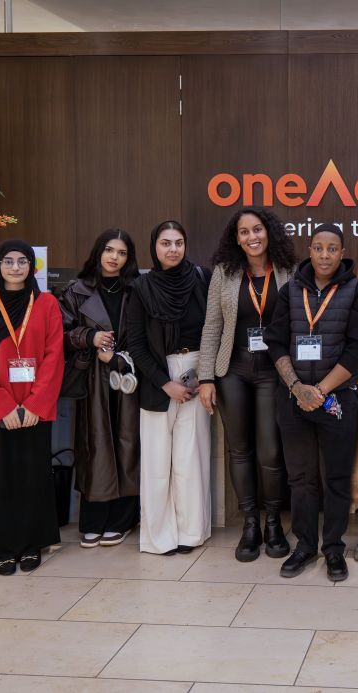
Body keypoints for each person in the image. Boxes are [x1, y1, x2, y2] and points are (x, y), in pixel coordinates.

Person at [267, 224, 358, 582]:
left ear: (342, 251)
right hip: (293, 400)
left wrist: (321, 391)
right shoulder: (289, 291)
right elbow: (275, 342)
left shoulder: (357, 292)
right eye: (318, 248)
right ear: (310, 250)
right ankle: (304, 545)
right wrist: (299, 388)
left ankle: (333, 547)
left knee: (335, 478)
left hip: (338, 400)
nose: (325, 255)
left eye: (332, 249)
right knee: (301, 477)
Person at [198, 208, 296, 562]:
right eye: (244, 232)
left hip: (275, 371)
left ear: (268, 232)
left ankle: (273, 524)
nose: (252, 237)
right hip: (233, 370)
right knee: (239, 450)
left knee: (270, 452)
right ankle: (250, 524)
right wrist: (206, 377)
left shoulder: (289, 271)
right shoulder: (224, 273)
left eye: (257, 229)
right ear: (235, 238)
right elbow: (211, 327)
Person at [0, 240, 63, 575]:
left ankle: (32, 542)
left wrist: (35, 403)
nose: (16, 267)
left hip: (36, 405)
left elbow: (53, 356)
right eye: (8, 261)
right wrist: (2, 406)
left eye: (23, 261)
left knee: (33, 474)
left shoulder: (47, 304)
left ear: (32, 266)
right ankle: (3, 546)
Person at [127, 220, 213, 556]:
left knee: (191, 461)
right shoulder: (141, 288)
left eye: (178, 242)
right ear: (155, 247)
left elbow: (213, 329)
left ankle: (190, 534)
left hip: (197, 373)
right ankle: (159, 536)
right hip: (157, 377)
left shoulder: (202, 279)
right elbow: (135, 344)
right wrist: (166, 384)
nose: (173, 249)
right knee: (157, 462)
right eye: (166, 243)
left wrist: (203, 375)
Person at [60, 229, 142, 548]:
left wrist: (120, 354)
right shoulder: (75, 291)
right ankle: (93, 520)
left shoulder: (137, 290)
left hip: (128, 375)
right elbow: (60, 335)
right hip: (92, 378)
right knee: (94, 448)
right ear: (98, 252)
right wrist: (89, 338)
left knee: (128, 445)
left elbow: (148, 332)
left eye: (121, 253)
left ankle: (123, 519)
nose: (114, 258)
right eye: (109, 250)